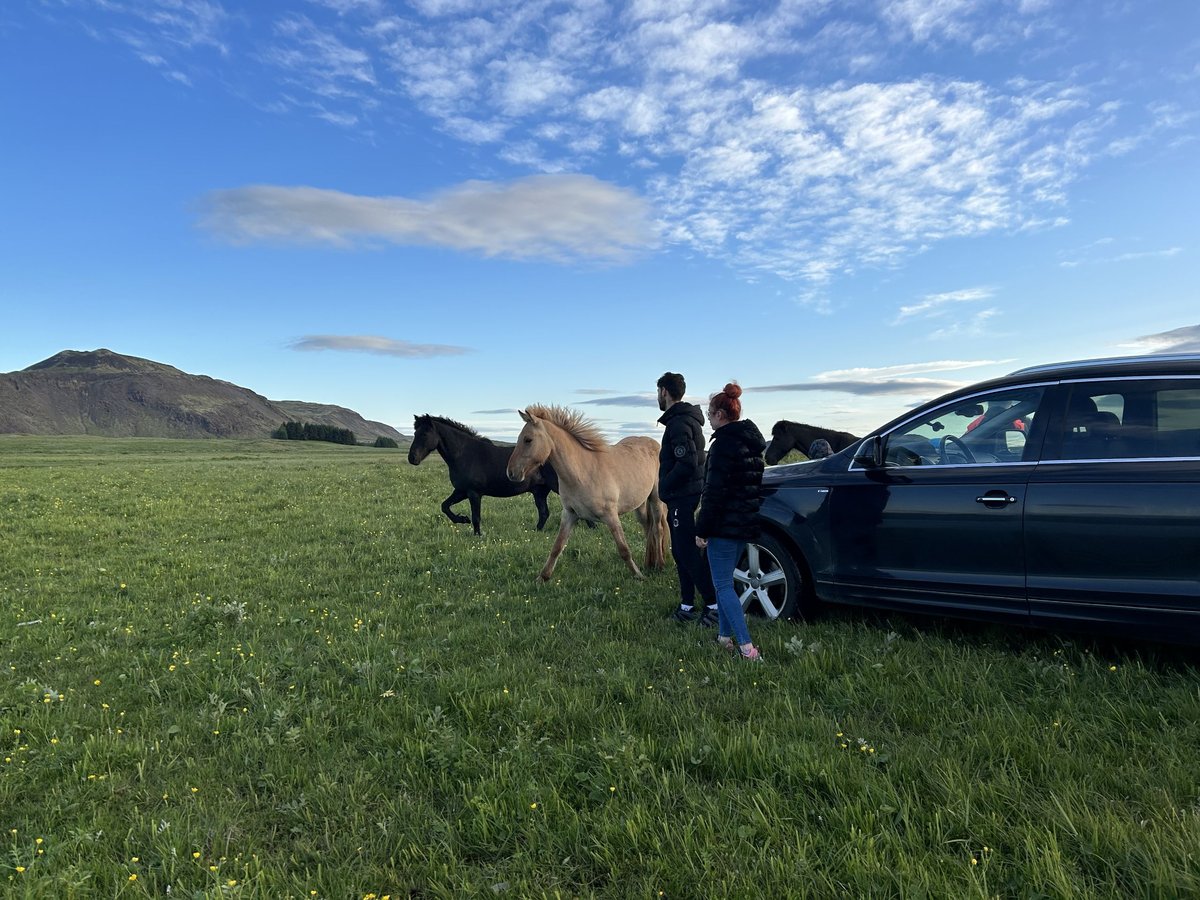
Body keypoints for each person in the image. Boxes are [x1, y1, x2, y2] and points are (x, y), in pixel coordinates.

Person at [695, 382, 767, 661]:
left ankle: (748, 649)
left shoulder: (723, 445)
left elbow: (713, 493)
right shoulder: (750, 443)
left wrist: (703, 529)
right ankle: (724, 637)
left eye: (709, 413)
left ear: (720, 415)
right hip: (743, 523)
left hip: (723, 525)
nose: (708, 419)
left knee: (723, 586)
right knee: (722, 582)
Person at [656, 372, 719, 626]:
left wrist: (664, 486)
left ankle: (713, 606)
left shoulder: (679, 423)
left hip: (682, 496)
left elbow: (687, 462)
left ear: (664, 392)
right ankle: (687, 604)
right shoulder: (682, 420)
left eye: (657, 392)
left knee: (687, 551)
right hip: (682, 496)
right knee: (680, 551)